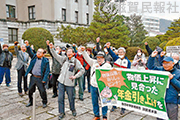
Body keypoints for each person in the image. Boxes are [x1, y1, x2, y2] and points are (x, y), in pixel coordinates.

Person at [49, 43, 85, 120]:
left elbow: (82, 70)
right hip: (61, 82)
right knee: (60, 98)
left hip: (70, 84)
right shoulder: (64, 59)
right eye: (67, 51)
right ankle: (61, 112)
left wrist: (75, 76)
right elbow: (55, 55)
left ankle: (73, 109)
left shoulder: (76, 61)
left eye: (70, 52)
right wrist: (51, 48)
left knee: (71, 98)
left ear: (73, 53)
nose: (68, 53)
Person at [147, 51, 180, 120]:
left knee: (172, 118)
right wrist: (152, 57)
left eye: (168, 63)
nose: (165, 65)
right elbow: (151, 67)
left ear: (173, 64)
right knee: (160, 118)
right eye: (164, 63)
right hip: (160, 100)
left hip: (171, 101)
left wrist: (172, 79)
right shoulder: (161, 70)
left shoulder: (178, 73)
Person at [82, 47, 112, 120]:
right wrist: (83, 51)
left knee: (104, 102)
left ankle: (104, 116)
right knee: (94, 101)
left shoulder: (107, 66)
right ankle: (97, 115)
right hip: (93, 86)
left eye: (101, 58)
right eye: (98, 57)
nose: (99, 59)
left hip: (103, 87)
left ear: (104, 58)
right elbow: (87, 58)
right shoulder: (93, 63)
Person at [106, 42, 131, 114]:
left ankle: (123, 108)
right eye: (119, 52)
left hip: (123, 80)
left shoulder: (128, 62)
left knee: (123, 94)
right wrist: (108, 47)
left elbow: (129, 72)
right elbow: (111, 53)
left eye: (122, 52)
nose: (120, 53)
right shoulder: (116, 58)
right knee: (114, 92)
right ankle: (114, 106)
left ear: (125, 53)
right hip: (115, 79)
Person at [25, 40, 50, 108]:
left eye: (40, 52)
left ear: (43, 54)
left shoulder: (46, 61)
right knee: (30, 90)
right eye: (38, 52)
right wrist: (27, 45)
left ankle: (44, 102)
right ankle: (30, 101)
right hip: (33, 77)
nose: (38, 53)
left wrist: (44, 79)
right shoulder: (34, 57)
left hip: (40, 78)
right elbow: (30, 52)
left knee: (42, 91)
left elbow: (47, 71)